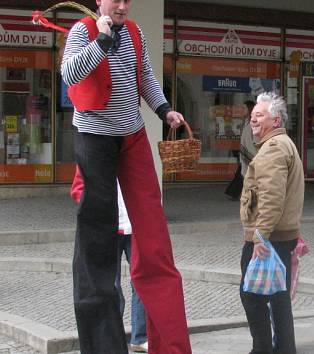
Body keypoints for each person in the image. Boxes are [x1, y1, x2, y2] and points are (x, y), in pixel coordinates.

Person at [61, 1, 191, 352]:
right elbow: (70, 74)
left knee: (154, 241)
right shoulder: (82, 31)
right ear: (100, 1)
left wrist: (164, 110)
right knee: (97, 245)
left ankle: (171, 346)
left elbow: (145, 76)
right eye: (115, 0)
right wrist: (101, 42)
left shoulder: (135, 32)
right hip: (94, 137)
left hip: (132, 136)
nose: (121, 6)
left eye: (127, 0)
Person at [239, 92, 304, 354]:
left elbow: (272, 197)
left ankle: (262, 348)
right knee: (278, 294)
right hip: (280, 234)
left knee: (251, 294)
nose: (253, 120)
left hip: (269, 236)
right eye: (252, 115)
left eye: (259, 115)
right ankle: (285, 348)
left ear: (275, 120)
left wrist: (259, 236)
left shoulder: (274, 148)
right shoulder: (282, 143)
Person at [70, 168, 148, 352]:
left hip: (134, 228)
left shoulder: (131, 157)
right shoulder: (95, 153)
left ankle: (140, 336)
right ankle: (112, 337)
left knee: (141, 282)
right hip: (106, 230)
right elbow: (78, 189)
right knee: (110, 286)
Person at [240, 100, 258, 177]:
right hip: (246, 159)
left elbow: (256, 143)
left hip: (251, 160)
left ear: (250, 109)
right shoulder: (246, 123)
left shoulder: (254, 124)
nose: (242, 110)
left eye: (244, 108)